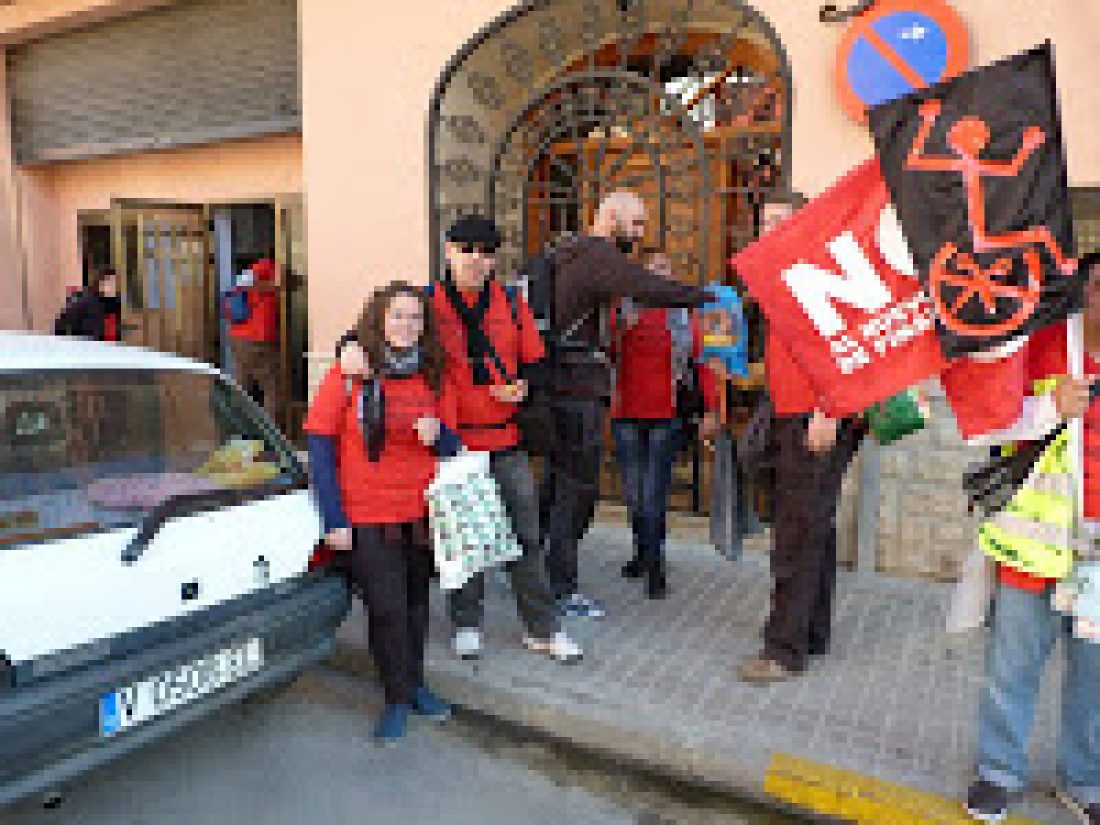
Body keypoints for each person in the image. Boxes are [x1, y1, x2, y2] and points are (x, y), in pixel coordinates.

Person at [339, 215, 583, 665]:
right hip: (451, 446)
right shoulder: (427, 302)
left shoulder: (511, 303)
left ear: (494, 259)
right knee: (463, 541)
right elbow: (374, 330)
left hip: (504, 441)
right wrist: (347, 349)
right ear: (449, 250)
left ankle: (542, 628)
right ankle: (466, 622)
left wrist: (525, 386)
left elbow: (537, 362)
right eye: (467, 249)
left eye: (486, 252)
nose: (476, 259)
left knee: (526, 538)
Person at [945, 251, 1100, 823]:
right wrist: (1049, 408)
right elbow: (992, 420)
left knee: (1095, 672)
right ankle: (997, 772)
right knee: (1013, 667)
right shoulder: (1040, 343)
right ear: (1085, 290)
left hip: (1099, 561)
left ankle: (1084, 779)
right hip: (1034, 549)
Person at [538, 190, 711, 618]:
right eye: (634, 224)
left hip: (561, 387)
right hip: (577, 393)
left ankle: (536, 575)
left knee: (556, 491)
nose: (638, 234)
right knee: (576, 495)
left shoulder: (569, 253)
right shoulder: (599, 255)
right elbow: (646, 286)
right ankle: (559, 590)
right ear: (610, 216)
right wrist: (704, 296)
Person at [304, 281, 460, 744]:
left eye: (415, 317)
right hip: (367, 513)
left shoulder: (433, 374)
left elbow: (454, 444)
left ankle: (415, 686)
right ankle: (394, 697)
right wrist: (333, 518)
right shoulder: (351, 371)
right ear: (379, 319)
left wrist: (441, 435)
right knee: (387, 610)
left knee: (416, 606)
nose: (407, 325)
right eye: (397, 316)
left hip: (422, 511)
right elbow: (319, 442)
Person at [737, 195, 866, 684]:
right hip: (795, 416)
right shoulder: (784, 275)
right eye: (764, 222)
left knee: (796, 533)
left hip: (815, 420)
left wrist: (827, 411)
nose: (767, 229)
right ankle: (812, 632)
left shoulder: (814, 272)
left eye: (779, 221)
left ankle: (783, 651)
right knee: (815, 528)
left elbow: (842, 348)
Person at [611, 295, 719, 599]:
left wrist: (710, 409)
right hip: (626, 415)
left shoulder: (682, 316)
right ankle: (642, 552)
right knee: (634, 493)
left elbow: (702, 363)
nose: (657, 276)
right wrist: (619, 328)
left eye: (663, 270)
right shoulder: (620, 311)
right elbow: (603, 352)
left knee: (653, 494)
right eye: (652, 270)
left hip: (665, 415)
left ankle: (654, 563)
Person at [226, 258, 283, 419]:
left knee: (243, 386)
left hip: (238, 339)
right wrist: (277, 284)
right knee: (273, 389)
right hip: (257, 340)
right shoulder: (265, 272)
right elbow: (274, 285)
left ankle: (236, 429)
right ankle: (269, 436)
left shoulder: (241, 282)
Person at [54, 268, 121, 341]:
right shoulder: (85, 302)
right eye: (109, 283)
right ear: (100, 285)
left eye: (115, 284)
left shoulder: (118, 306)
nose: (112, 287)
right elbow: (61, 323)